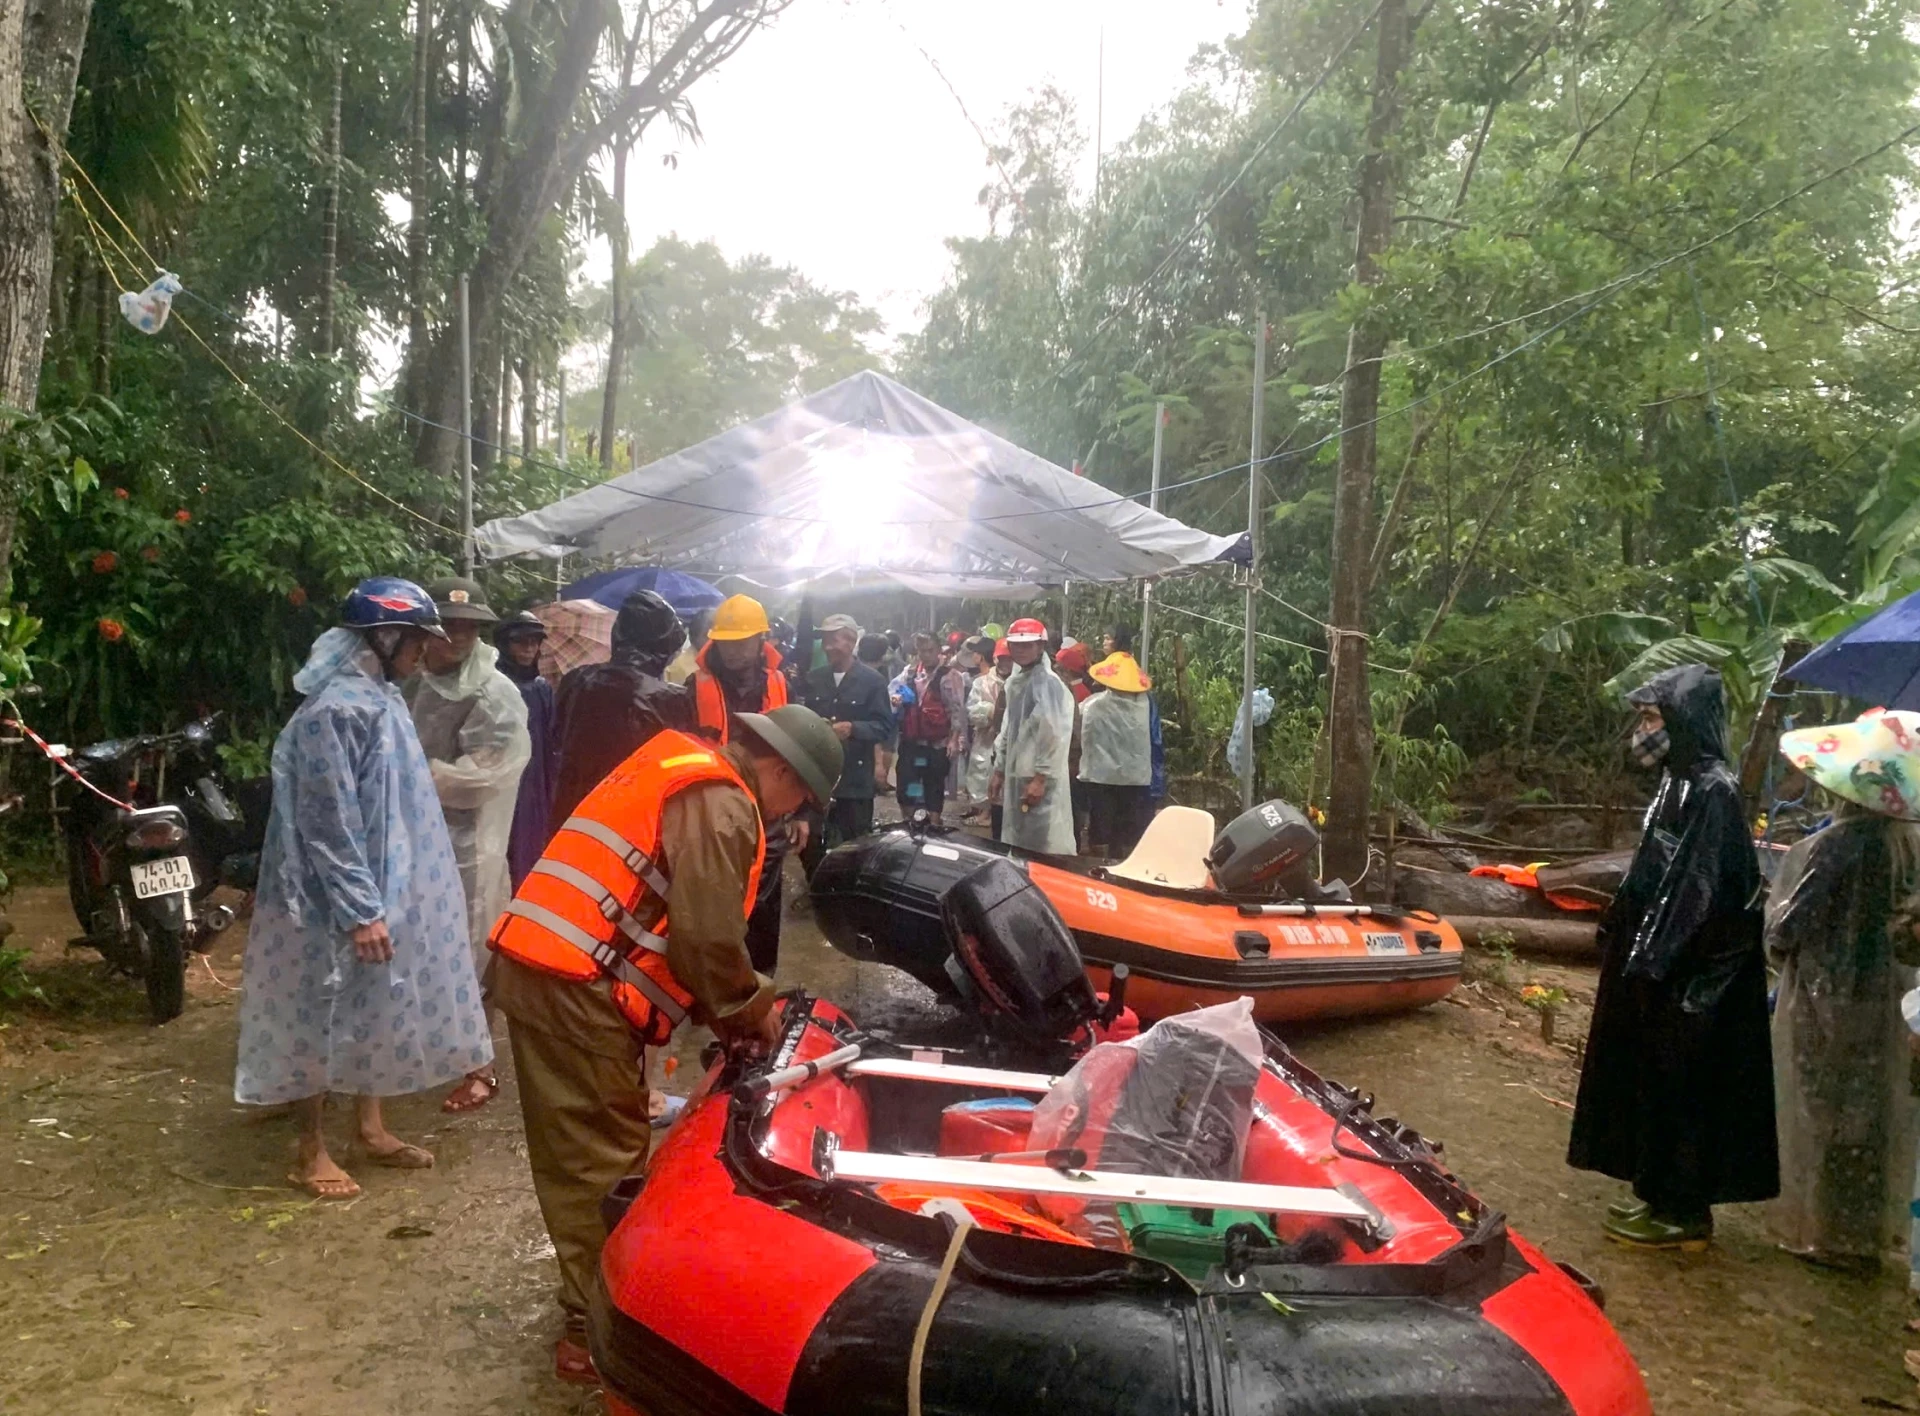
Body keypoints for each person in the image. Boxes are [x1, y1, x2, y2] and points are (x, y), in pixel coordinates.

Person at [487, 704, 843, 1383]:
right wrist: (748, 1010)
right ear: (778, 770)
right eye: (800, 795)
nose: (794, 811)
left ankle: (591, 1311)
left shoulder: (679, 764)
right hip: (574, 983)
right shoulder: (723, 803)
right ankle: (592, 1334)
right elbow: (705, 941)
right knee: (600, 1160)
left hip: (550, 966)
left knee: (580, 1149)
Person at [233, 578, 491, 1199]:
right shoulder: (334, 711)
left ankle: (371, 1128)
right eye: (418, 641)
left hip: (383, 890)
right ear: (386, 636)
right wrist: (358, 909)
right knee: (322, 1009)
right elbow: (328, 820)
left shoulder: (380, 698)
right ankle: (310, 1149)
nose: (425, 653)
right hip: (333, 900)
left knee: (374, 1003)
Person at [1566, 663, 1778, 1249]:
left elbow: (1703, 891)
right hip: (1662, 967)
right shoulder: (1675, 782)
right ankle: (1659, 1195)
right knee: (1654, 1083)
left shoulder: (1716, 790)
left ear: (1685, 721)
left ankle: (1686, 1211)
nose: (1644, 729)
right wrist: (1620, 925)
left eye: (1654, 717)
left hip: (1698, 975)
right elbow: (1652, 869)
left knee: (1688, 1089)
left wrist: (1658, 959)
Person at [1767, 709, 1920, 1268]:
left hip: (1826, 999)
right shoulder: (1909, 844)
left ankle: (1825, 1234)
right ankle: (1868, 1235)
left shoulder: (1834, 845)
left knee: (1826, 1114)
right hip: (1893, 1003)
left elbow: (1788, 926)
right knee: (1874, 1118)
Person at [404, 578, 532, 1114]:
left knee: (472, 945)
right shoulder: (408, 676)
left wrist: (413, 773)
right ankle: (423, 1044)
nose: (456, 637)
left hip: (468, 842)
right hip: (410, 835)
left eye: (467, 627)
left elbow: (487, 774)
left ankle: (480, 1066)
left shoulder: (493, 691)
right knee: (417, 944)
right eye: (447, 626)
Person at [688, 593, 797, 972]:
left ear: (761, 640)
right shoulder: (695, 685)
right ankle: (715, 986)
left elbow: (796, 754)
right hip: (713, 811)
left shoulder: (781, 683)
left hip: (768, 813)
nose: (733, 651)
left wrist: (801, 813)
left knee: (764, 908)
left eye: (742, 642)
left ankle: (761, 983)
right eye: (726, 642)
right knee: (714, 905)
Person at [550, 590, 693, 826]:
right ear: (665, 646)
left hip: (571, 810)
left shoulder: (577, 680)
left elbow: (555, 738)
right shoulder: (670, 699)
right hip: (632, 819)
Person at [800, 613, 893, 876]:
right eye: (825, 641)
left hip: (855, 779)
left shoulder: (872, 681)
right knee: (811, 843)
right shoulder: (814, 678)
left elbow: (884, 726)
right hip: (819, 778)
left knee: (855, 844)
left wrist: (853, 728)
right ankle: (817, 890)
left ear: (851, 641)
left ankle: (847, 895)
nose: (828, 647)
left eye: (834, 640)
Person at [991, 618, 1077, 856]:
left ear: (1040, 647)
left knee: (1041, 844)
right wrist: (999, 769)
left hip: (1039, 776)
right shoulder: (1017, 682)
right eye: (1016, 645)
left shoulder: (1048, 684)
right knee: (1017, 840)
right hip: (1017, 772)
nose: (1021, 650)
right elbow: (1009, 728)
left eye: (1028, 645)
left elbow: (1053, 734)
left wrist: (1041, 778)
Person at [496, 612, 559, 890]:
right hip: (501, 780)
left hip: (535, 782)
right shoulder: (493, 686)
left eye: (534, 642)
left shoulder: (541, 688)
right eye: (520, 642)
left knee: (532, 847)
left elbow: (552, 739)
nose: (529, 648)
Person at [1080, 649, 1156, 860]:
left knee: (1102, 825)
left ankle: (1100, 865)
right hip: (1134, 777)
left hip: (1101, 776)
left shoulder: (1094, 705)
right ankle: (1122, 863)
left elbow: (1084, 736)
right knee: (1125, 828)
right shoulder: (1145, 705)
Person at [892, 630, 967, 825]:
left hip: (937, 743)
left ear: (938, 650)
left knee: (934, 785)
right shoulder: (909, 672)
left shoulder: (950, 676)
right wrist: (897, 699)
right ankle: (908, 822)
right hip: (912, 742)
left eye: (930, 650)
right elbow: (892, 693)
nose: (926, 655)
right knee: (907, 784)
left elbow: (956, 711)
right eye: (921, 651)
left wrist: (953, 740)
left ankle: (933, 824)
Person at [962, 636, 1004, 821]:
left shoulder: (1019, 683)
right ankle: (986, 811)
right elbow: (972, 711)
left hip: (1006, 742)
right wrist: (992, 711)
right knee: (983, 773)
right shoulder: (982, 682)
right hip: (986, 739)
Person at [859, 633, 897, 791]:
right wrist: (879, 765)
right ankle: (880, 782)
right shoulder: (878, 678)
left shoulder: (851, 671)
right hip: (871, 733)